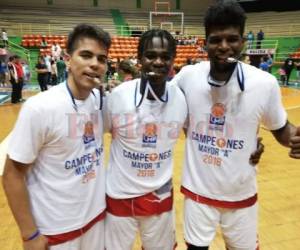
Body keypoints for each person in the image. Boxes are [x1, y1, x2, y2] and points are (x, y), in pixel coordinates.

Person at [172, 2, 300, 249]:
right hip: (198, 194)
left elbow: (281, 129)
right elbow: (162, 108)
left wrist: (295, 138)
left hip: (241, 193)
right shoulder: (187, 77)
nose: (223, 47)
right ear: (204, 41)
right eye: (215, 39)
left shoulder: (264, 83)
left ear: (243, 41)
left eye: (231, 39)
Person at [2, 23, 111, 250]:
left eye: (101, 59)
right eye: (86, 55)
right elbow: (12, 175)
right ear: (68, 59)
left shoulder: (101, 102)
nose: (94, 64)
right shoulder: (39, 107)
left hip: (97, 222)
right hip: (56, 231)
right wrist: (29, 234)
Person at [104, 29, 188, 250]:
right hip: (118, 196)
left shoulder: (180, 98)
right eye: (151, 56)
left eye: (165, 56)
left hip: (158, 196)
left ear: (172, 60)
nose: (158, 62)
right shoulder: (118, 97)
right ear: (139, 58)